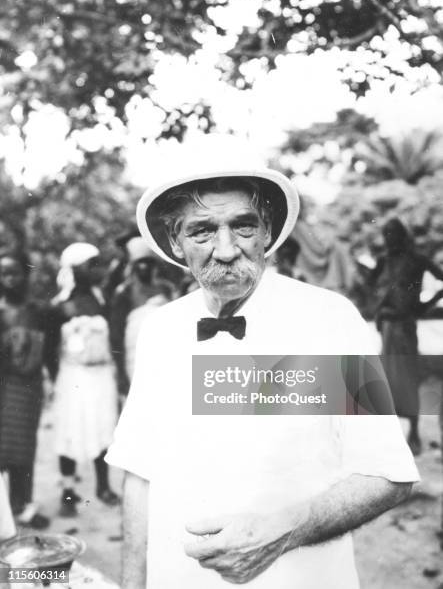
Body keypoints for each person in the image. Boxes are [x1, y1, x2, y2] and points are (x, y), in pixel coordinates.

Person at [106, 163, 419, 589]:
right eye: (201, 231)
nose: (226, 249)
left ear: (268, 231)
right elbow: (140, 476)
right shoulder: (160, 328)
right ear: (175, 242)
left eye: (243, 226)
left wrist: (285, 531)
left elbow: (388, 474)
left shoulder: (328, 319)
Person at [50, 243, 120, 516]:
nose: (96, 270)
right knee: (70, 429)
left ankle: (103, 486)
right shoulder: (60, 306)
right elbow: (50, 351)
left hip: (101, 375)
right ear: (74, 269)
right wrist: (56, 380)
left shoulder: (101, 300)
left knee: (102, 427)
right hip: (72, 377)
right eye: (90, 265)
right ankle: (68, 492)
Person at [371, 218, 443, 455]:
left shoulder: (417, 260)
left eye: (393, 234)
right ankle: (390, 437)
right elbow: (371, 286)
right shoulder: (383, 261)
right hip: (387, 327)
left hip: (405, 326)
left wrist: (423, 307)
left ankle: (413, 433)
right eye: (386, 234)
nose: (389, 238)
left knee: (407, 378)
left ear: (402, 236)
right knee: (386, 381)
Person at [0, 251, 53, 529]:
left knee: (23, 448)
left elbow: (50, 351)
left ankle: (22, 505)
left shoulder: (38, 311)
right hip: (3, 386)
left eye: (14, 272)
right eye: (3, 273)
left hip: (28, 389)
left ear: (26, 274)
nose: (8, 279)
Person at [110, 236, 172, 396]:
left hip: (164, 353)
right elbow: (116, 334)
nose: (144, 267)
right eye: (140, 263)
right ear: (133, 266)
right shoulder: (124, 292)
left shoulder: (166, 289)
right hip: (135, 356)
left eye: (148, 262)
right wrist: (120, 372)